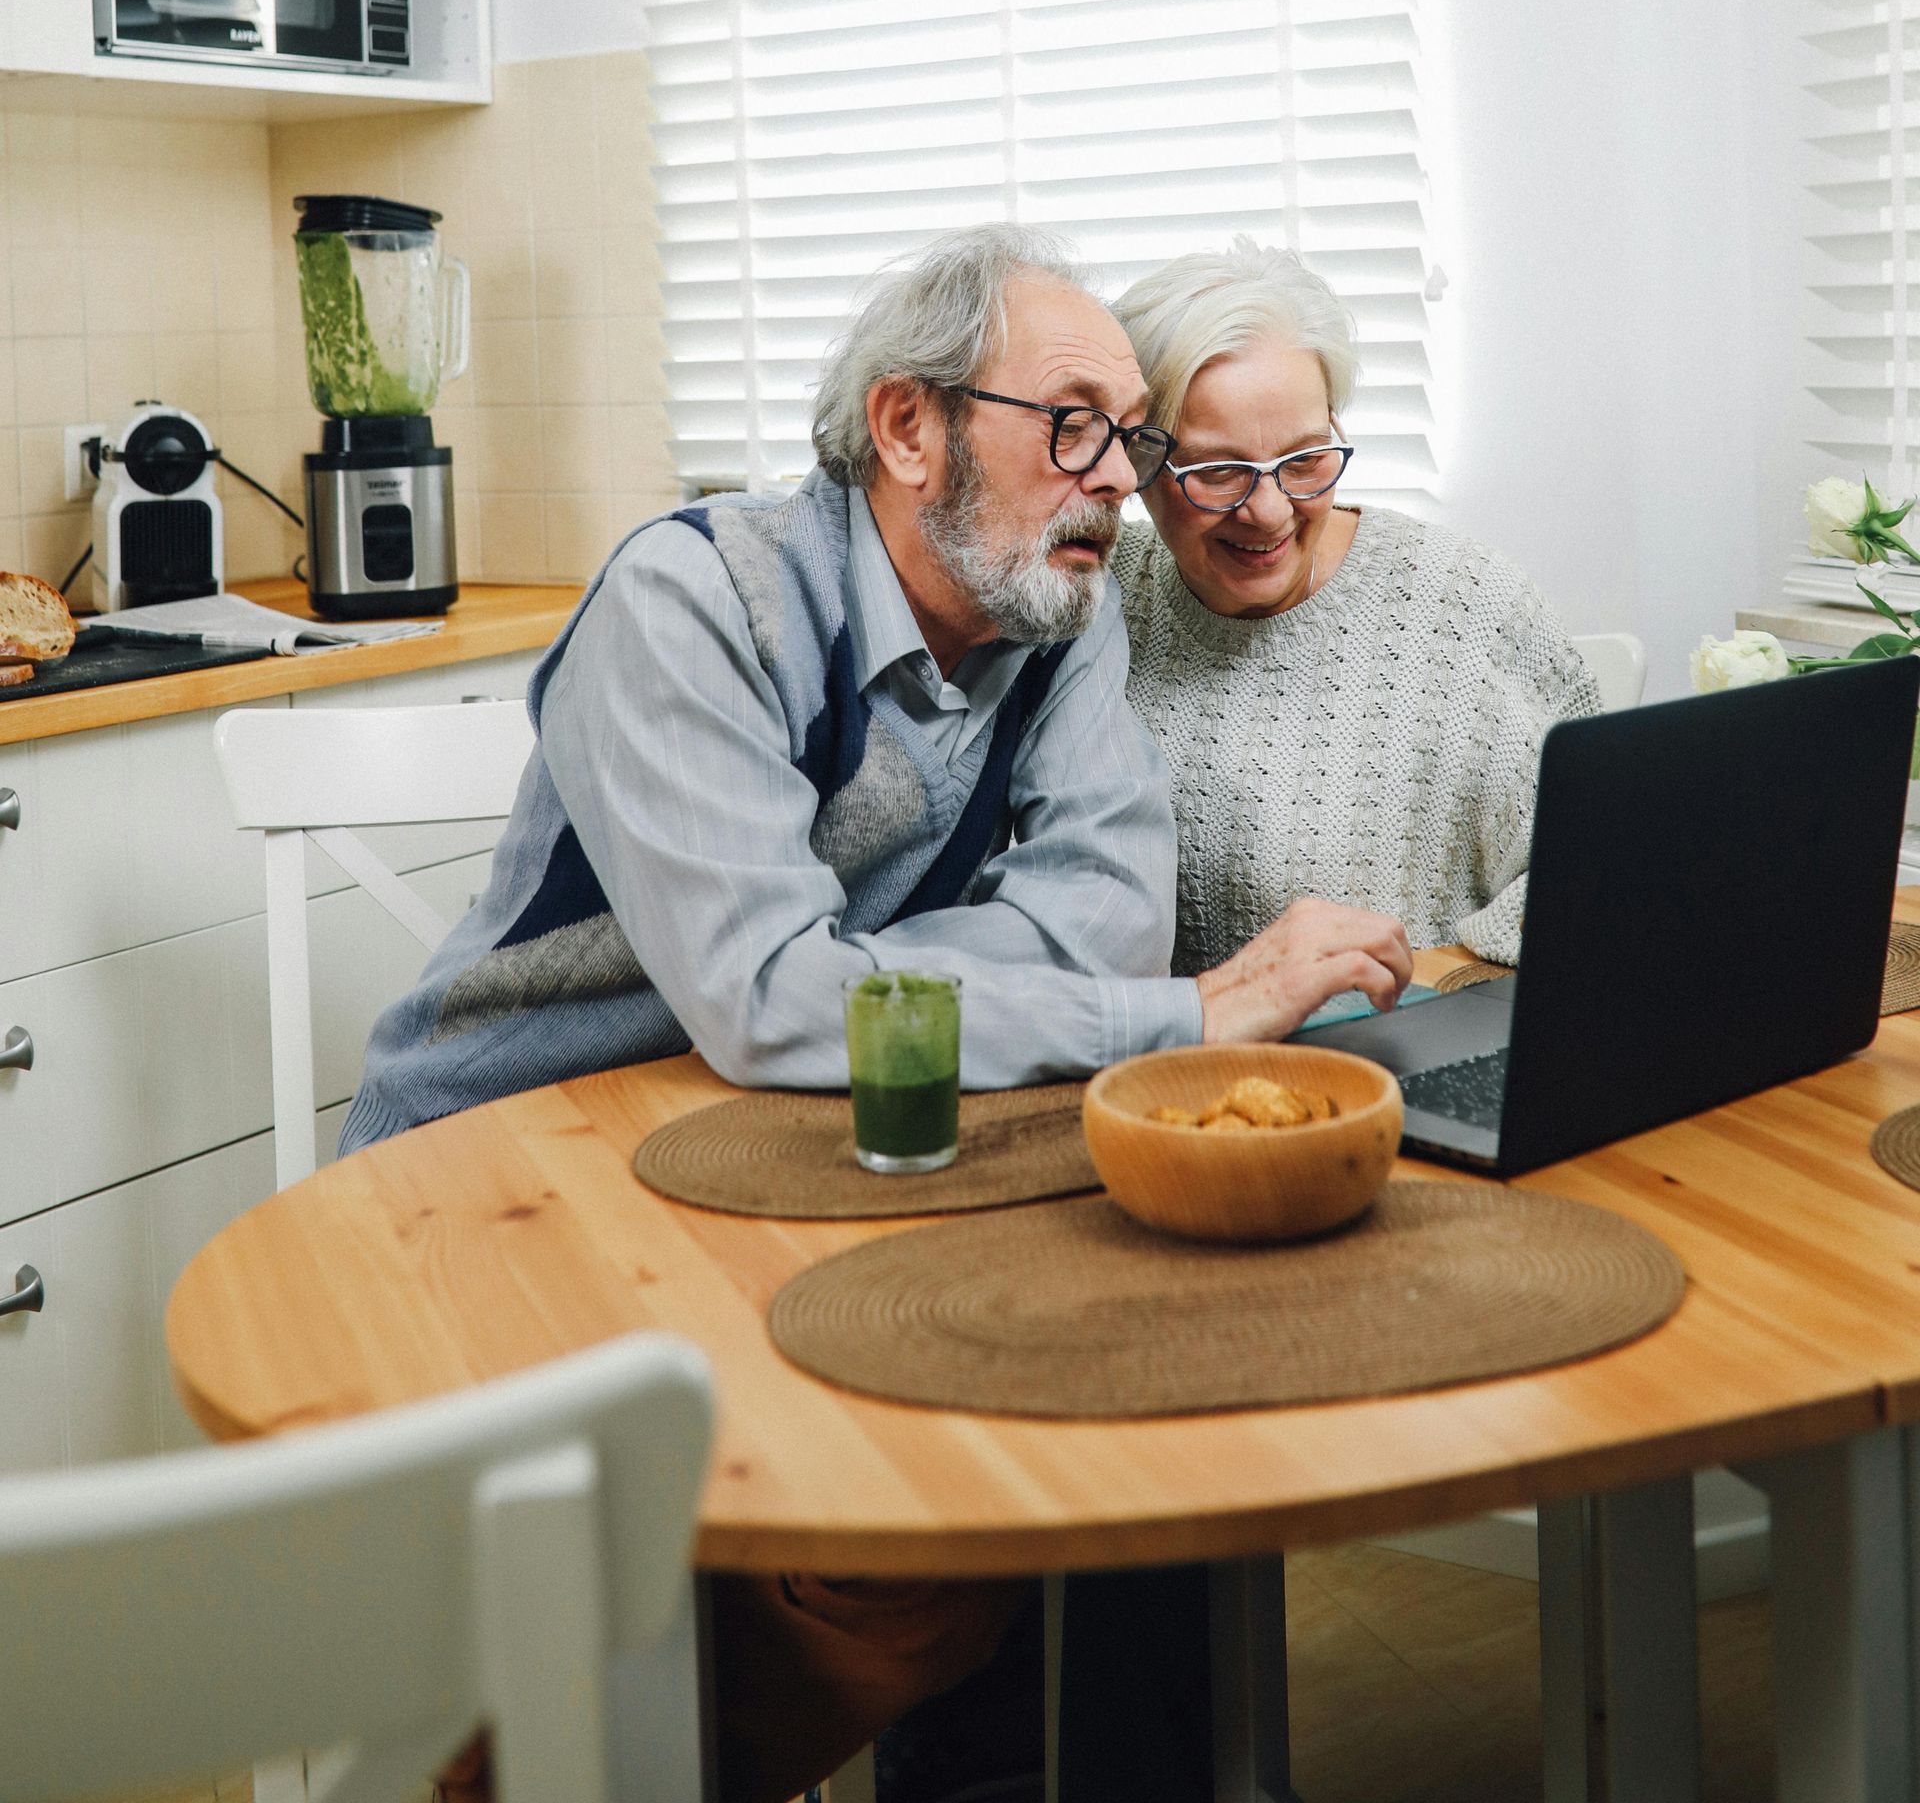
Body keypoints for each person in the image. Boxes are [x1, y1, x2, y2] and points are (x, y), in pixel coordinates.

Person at [346, 223, 1412, 1803]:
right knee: (924, 1546)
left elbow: (1092, 917)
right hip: (497, 1191)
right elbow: (775, 1006)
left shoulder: (1062, 614)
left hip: (818, 1167)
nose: (1119, 477)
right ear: (909, 428)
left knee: (1099, 1428)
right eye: (1071, 423)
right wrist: (1173, 1011)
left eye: (1122, 434)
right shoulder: (694, 596)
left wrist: (842, 969)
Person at [1111, 236, 1600, 972]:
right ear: (1139, 463)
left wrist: (1426, 983)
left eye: (1305, 460)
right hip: (1174, 1067)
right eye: (1218, 473)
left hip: (1417, 1038)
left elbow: (1604, 862)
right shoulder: (1093, 600)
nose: (1270, 512)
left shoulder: (1463, 604)